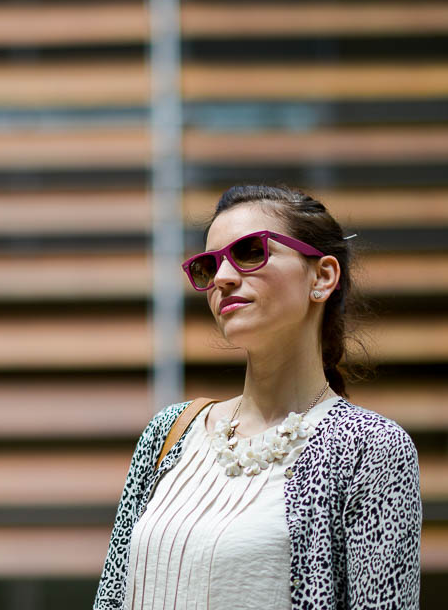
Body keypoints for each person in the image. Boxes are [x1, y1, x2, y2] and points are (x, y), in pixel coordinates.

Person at [94, 184, 421, 610]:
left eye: (250, 252)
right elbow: (112, 594)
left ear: (322, 277)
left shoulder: (369, 447)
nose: (224, 278)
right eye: (208, 266)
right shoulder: (170, 432)